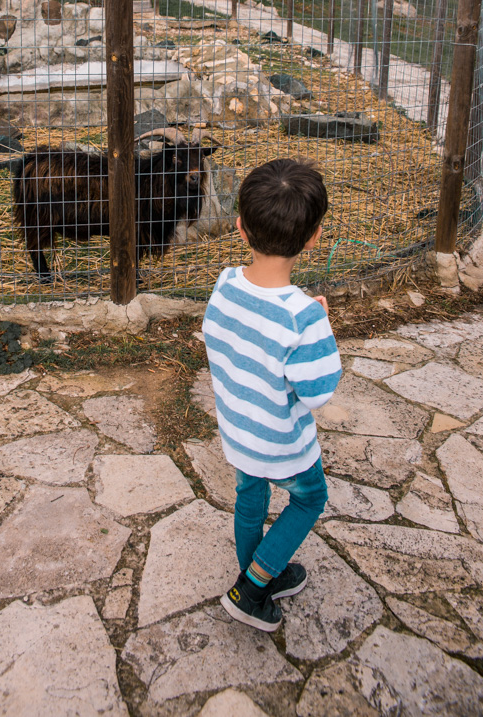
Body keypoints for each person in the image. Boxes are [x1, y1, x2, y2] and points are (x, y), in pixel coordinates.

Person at [202, 157, 342, 631]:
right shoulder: (304, 318)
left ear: (240, 227)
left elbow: (233, 338)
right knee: (308, 500)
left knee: (250, 497)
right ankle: (254, 586)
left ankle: (256, 573)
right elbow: (318, 391)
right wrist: (319, 324)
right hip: (283, 442)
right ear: (314, 236)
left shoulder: (223, 284)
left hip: (239, 432)